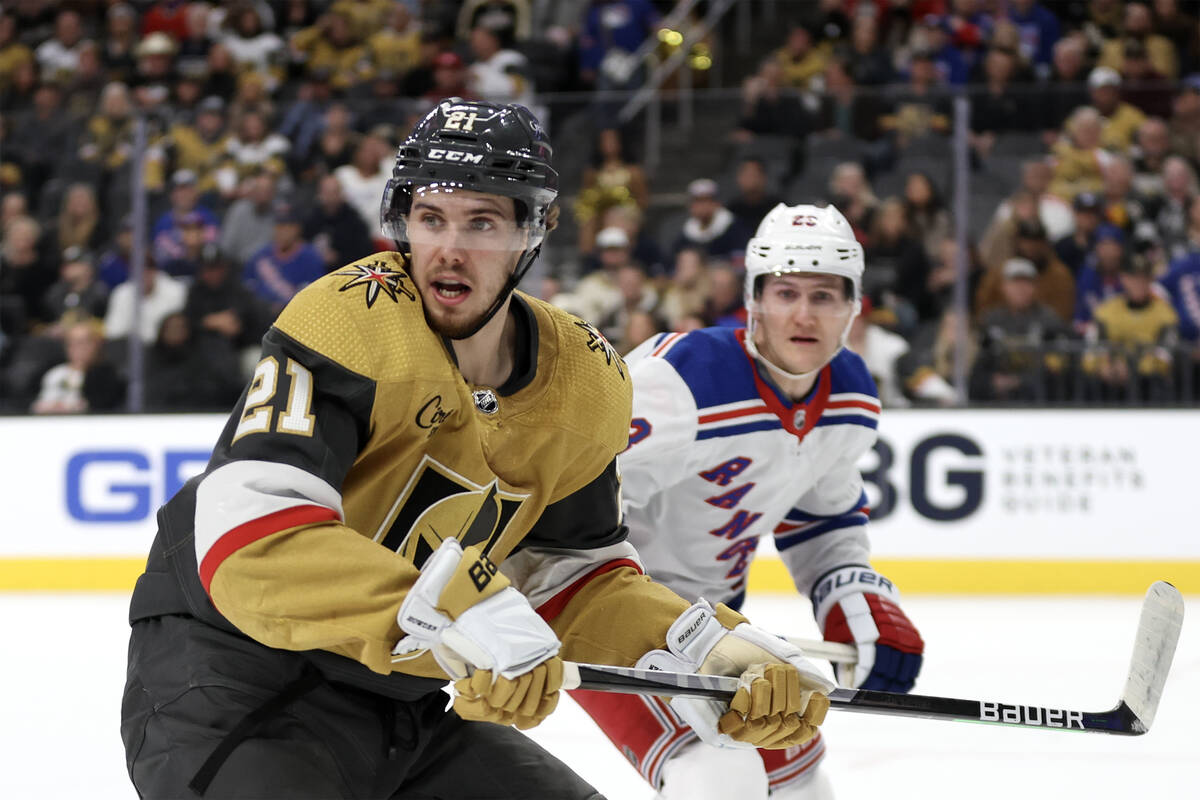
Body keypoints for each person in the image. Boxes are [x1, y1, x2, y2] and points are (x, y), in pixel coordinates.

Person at [120, 99, 833, 799]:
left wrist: (700, 642)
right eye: (430, 219)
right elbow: (250, 544)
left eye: (482, 222)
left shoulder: (585, 377)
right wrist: (455, 611)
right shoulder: (349, 319)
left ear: (535, 231)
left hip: (398, 703)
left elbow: (573, 575)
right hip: (227, 679)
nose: (449, 249)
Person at [572, 203, 924, 800]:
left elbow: (822, 520)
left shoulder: (852, 394)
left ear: (855, 306)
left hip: (716, 624)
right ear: (754, 299)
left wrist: (852, 594)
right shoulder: (681, 380)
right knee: (717, 775)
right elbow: (567, 488)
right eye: (786, 292)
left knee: (800, 779)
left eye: (825, 295)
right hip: (606, 611)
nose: (805, 313)